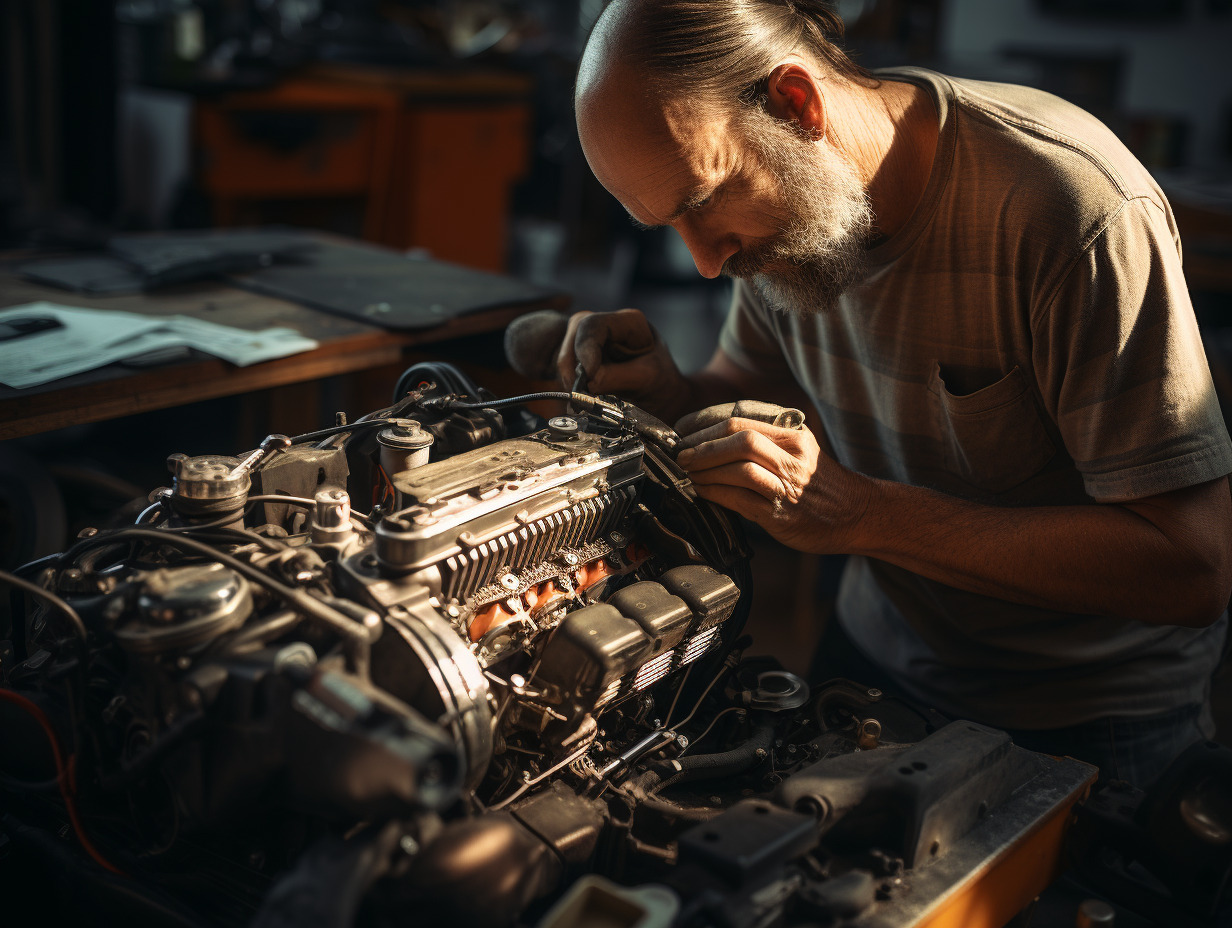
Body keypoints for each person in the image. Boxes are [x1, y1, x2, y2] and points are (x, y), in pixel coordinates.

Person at [556, 0, 1232, 787]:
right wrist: (666, 389)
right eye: (667, 224)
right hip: (875, 662)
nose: (706, 263)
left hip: (1086, 716)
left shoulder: (1069, 208)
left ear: (794, 104)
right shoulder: (792, 215)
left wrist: (864, 514)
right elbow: (750, 393)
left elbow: (1193, 567)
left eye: (703, 203)